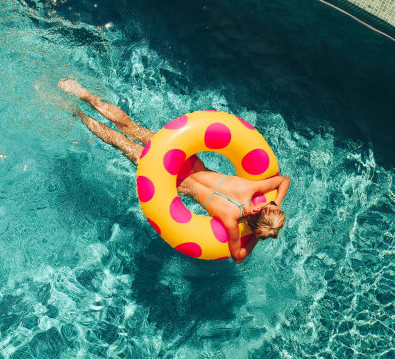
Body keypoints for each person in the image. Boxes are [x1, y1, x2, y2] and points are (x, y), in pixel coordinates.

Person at [58, 78, 291, 264]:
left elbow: (283, 180)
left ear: (263, 206)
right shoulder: (231, 221)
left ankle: (82, 93)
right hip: (173, 181)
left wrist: (277, 202)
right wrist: (254, 239)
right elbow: (238, 258)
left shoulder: (250, 187)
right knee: (121, 143)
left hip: (179, 155)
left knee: (130, 127)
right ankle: (78, 114)